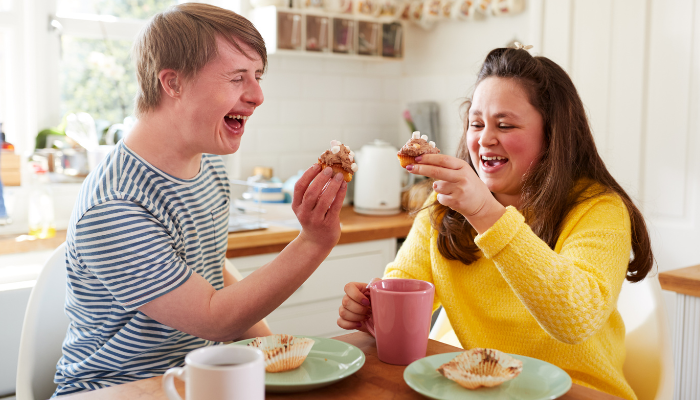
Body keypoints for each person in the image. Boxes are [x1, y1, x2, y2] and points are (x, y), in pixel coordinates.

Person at [53, 3, 347, 396]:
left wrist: (274, 353)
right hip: (116, 390)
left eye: (257, 76)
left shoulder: (206, 167)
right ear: (172, 83)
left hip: (200, 378)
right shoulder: (114, 205)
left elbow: (209, 267)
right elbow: (214, 318)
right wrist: (314, 241)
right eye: (237, 78)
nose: (258, 95)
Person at [337, 46, 653, 400]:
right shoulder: (446, 205)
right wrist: (377, 311)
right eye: (476, 123)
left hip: (578, 390)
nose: (484, 139)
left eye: (505, 125)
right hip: (478, 386)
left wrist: (484, 213)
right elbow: (405, 285)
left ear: (553, 135)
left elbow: (574, 319)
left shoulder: (598, 209)